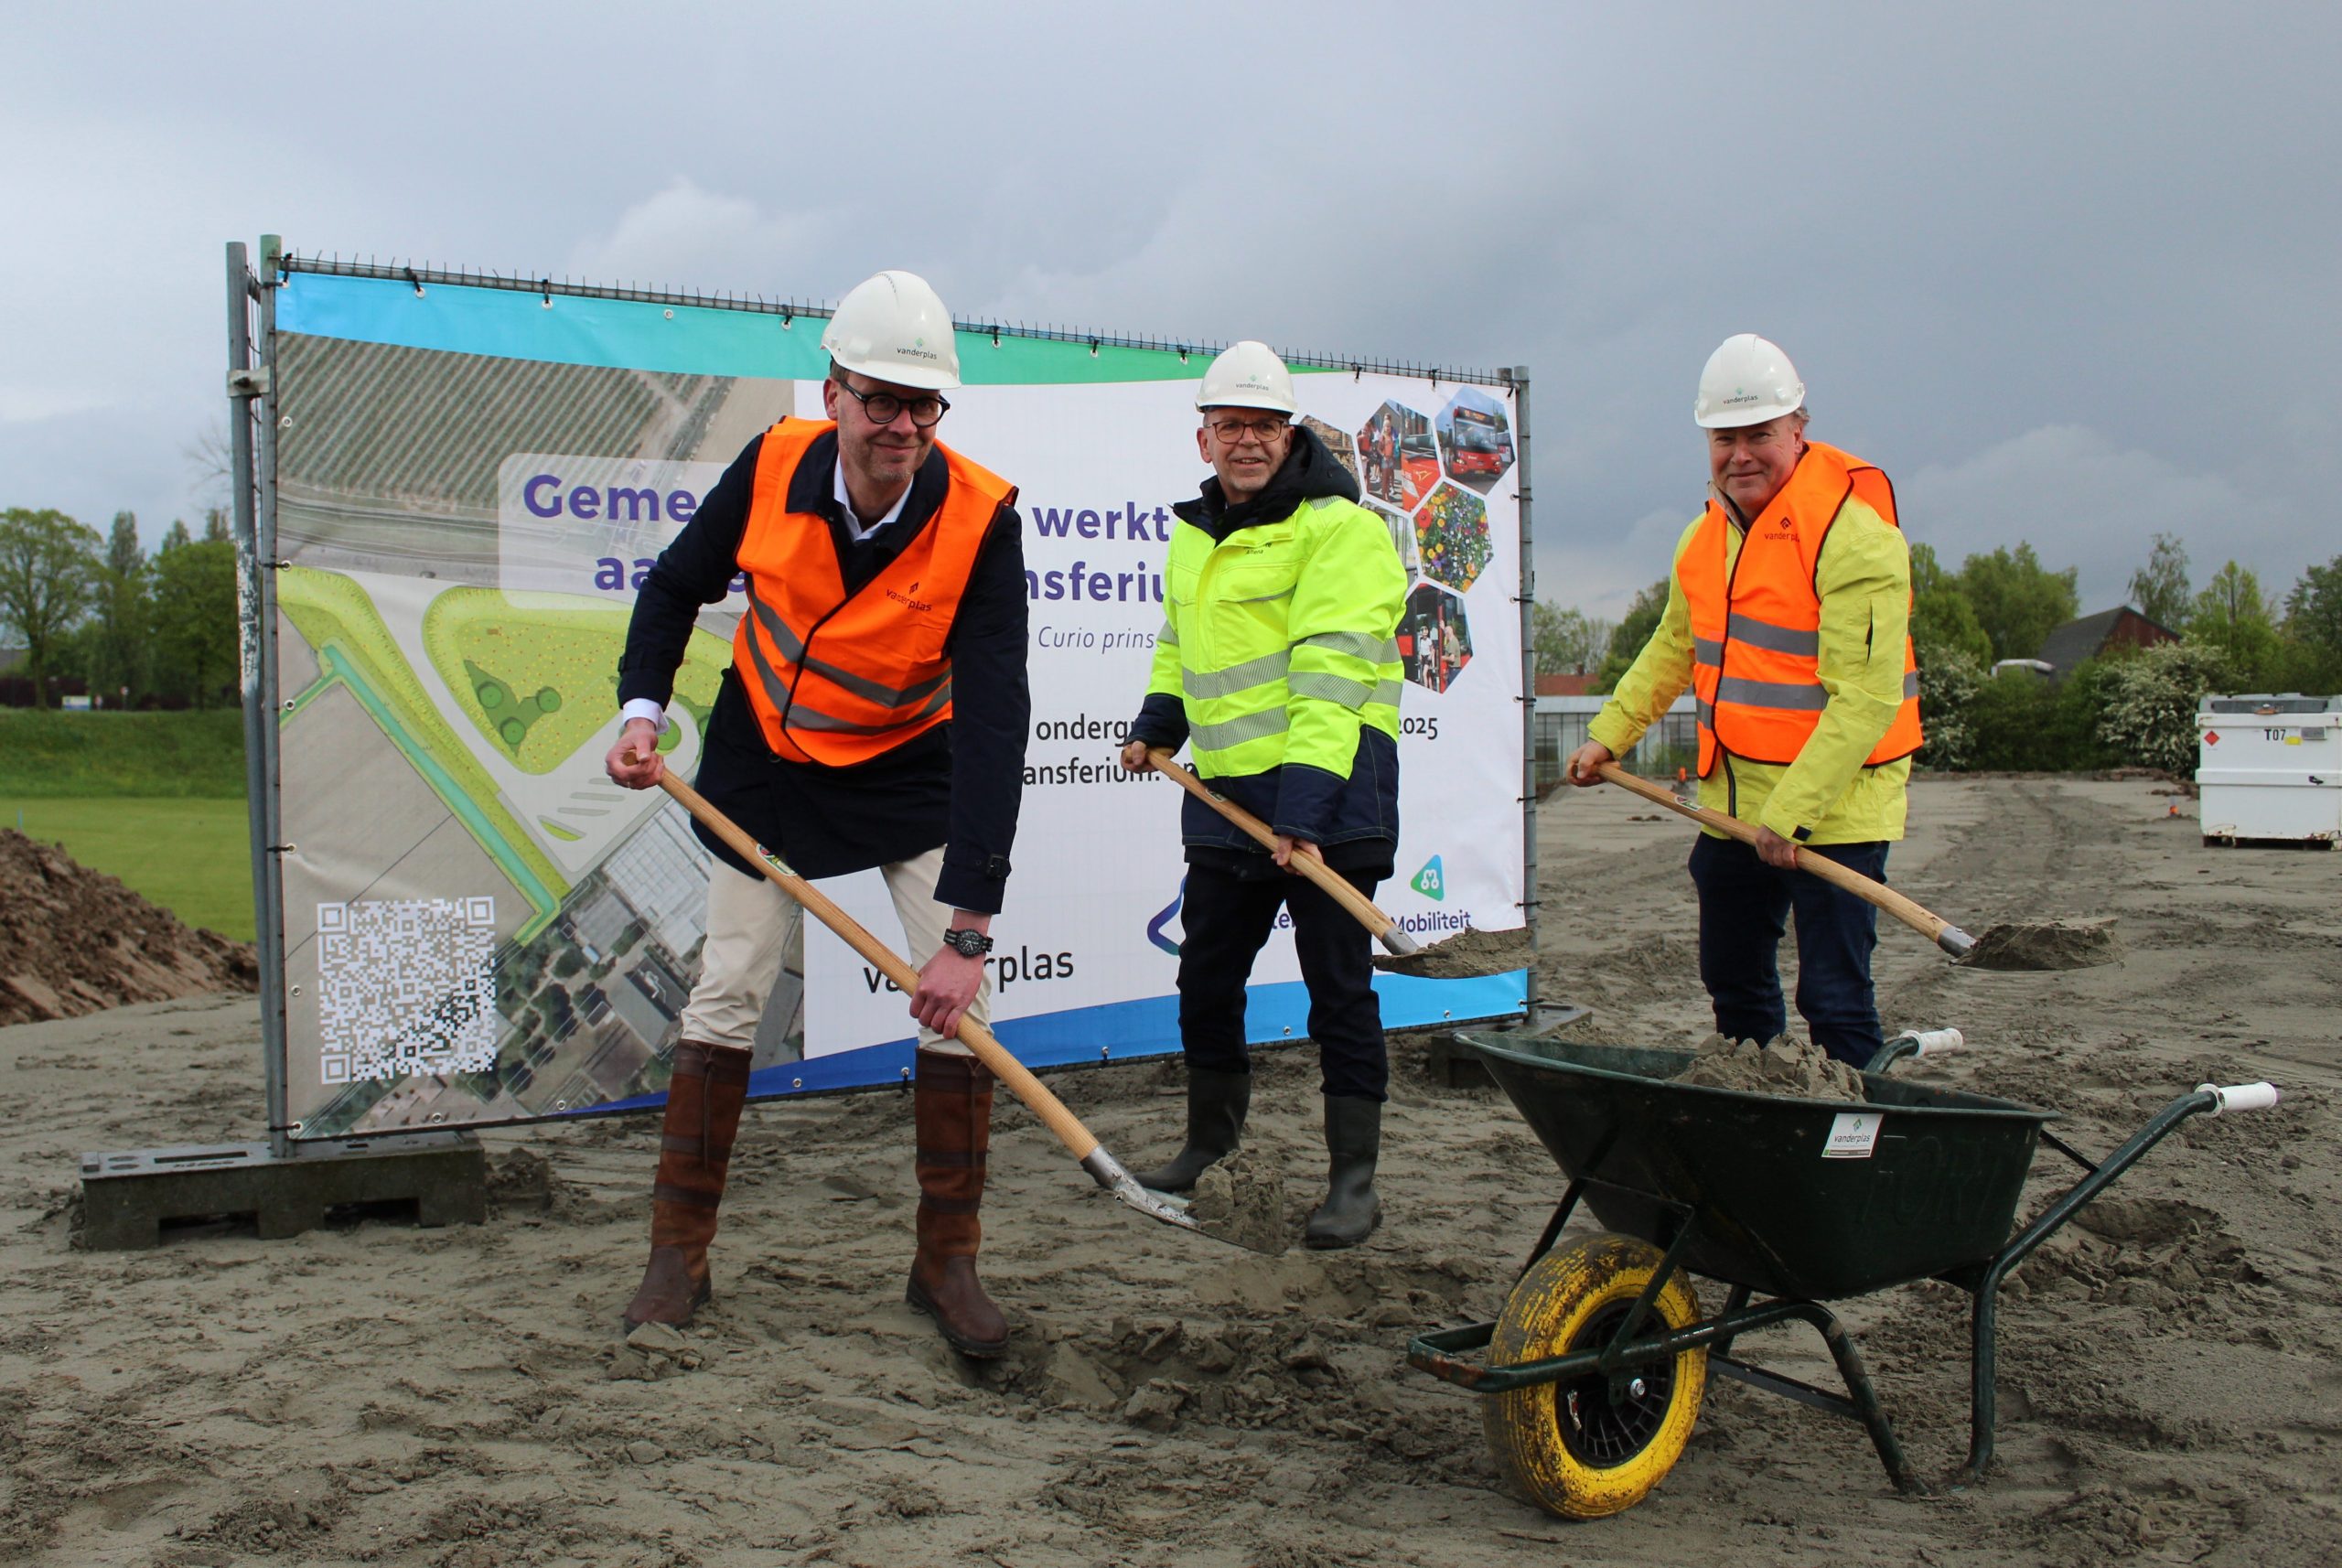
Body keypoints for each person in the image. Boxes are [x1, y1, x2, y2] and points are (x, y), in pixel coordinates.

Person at [603, 270, 1030, 1356]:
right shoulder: (771, 463)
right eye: (877, 398)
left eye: (920, 404)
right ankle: (677, 1254)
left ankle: (948, 1262)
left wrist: (969, 933)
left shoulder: (980, 519)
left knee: (959, 1011)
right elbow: (672, 588)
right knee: (728, 990)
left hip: (908, 769)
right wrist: (643, 709)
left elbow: (993, 724)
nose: (898, 425)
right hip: (770, 766)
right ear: (835, 391)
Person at [1119, 341, 1408, 1248]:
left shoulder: (1340, 529)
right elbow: (1181, 641)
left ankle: (1352, 1182)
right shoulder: (1196, 532)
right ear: (1203, 439)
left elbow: (1329, 676)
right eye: (1230, 425)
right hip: (1227, 797)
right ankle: (1211, 1145)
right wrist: (1159, 722)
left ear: (1290, 434)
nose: (1247, 441)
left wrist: (1305, 818)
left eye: (1264, 425)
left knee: (1337, 989)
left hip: (1331, 796)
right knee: (1207, 974)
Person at [1565, 334, 1919, 1068]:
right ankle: (1757, 1099)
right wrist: (1609, 736)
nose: (1742, 455)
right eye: (1725, 439)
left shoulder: (1858, 540)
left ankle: (1856, 1142)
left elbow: (1866, 700)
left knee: (1834, 995)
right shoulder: (1704, 538)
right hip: (1734, 804)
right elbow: (1673, 648)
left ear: (1799, 429)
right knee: (1730, 977)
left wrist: (1790, 816)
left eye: (1760, 435)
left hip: (1838, 807)